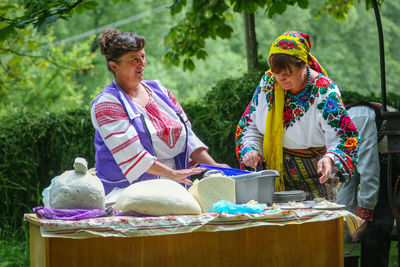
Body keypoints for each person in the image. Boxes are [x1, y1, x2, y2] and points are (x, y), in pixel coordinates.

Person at [91, 28, 228, 197]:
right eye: (134, 59)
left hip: (174, 188)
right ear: (114, 66)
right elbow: (133, 156)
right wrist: (173, 175)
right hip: (127, 194)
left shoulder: (160, 92)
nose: (141, 63)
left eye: (143, 56)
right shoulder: (107, 104)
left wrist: (214, 168)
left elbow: (188, 138)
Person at [235, 31, 359, 201]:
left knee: (317, 225)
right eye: (276, 72)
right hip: (274, 176)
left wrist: (330, 158)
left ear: (304, 65)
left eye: (288, 73)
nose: (281, 79)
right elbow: (250, 124)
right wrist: (251, 148)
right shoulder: (268, 83)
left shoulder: (323, 91)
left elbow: (345, 137)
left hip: (316, 176)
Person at [337, 103, 394, 267]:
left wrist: (363, 217)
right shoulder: (335, 134)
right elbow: (348, 178)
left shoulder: (356, 119)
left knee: (378, 226)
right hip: (378, 162)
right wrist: (347, 220)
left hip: (391, 161)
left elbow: (369, 171)